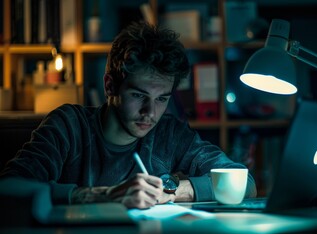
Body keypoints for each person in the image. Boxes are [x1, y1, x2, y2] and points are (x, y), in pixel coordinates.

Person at [0, 21, 257, 209]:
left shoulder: (170, 133)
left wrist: (172, 190)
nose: (150, 112)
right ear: (110, 85)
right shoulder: (69, 126)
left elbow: (246, 183)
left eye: (162, 99)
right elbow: (9, 187)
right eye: (138, 95)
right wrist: (106, 195)